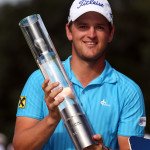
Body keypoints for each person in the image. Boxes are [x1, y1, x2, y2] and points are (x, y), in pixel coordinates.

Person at [13, 0, 146, 149]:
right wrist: (52, 118)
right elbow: (20, 147)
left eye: (100, 27)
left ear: (111, 33)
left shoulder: (129, 92)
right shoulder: (39, 80)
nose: (91, 34)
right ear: (69, 31)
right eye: (83, 26)